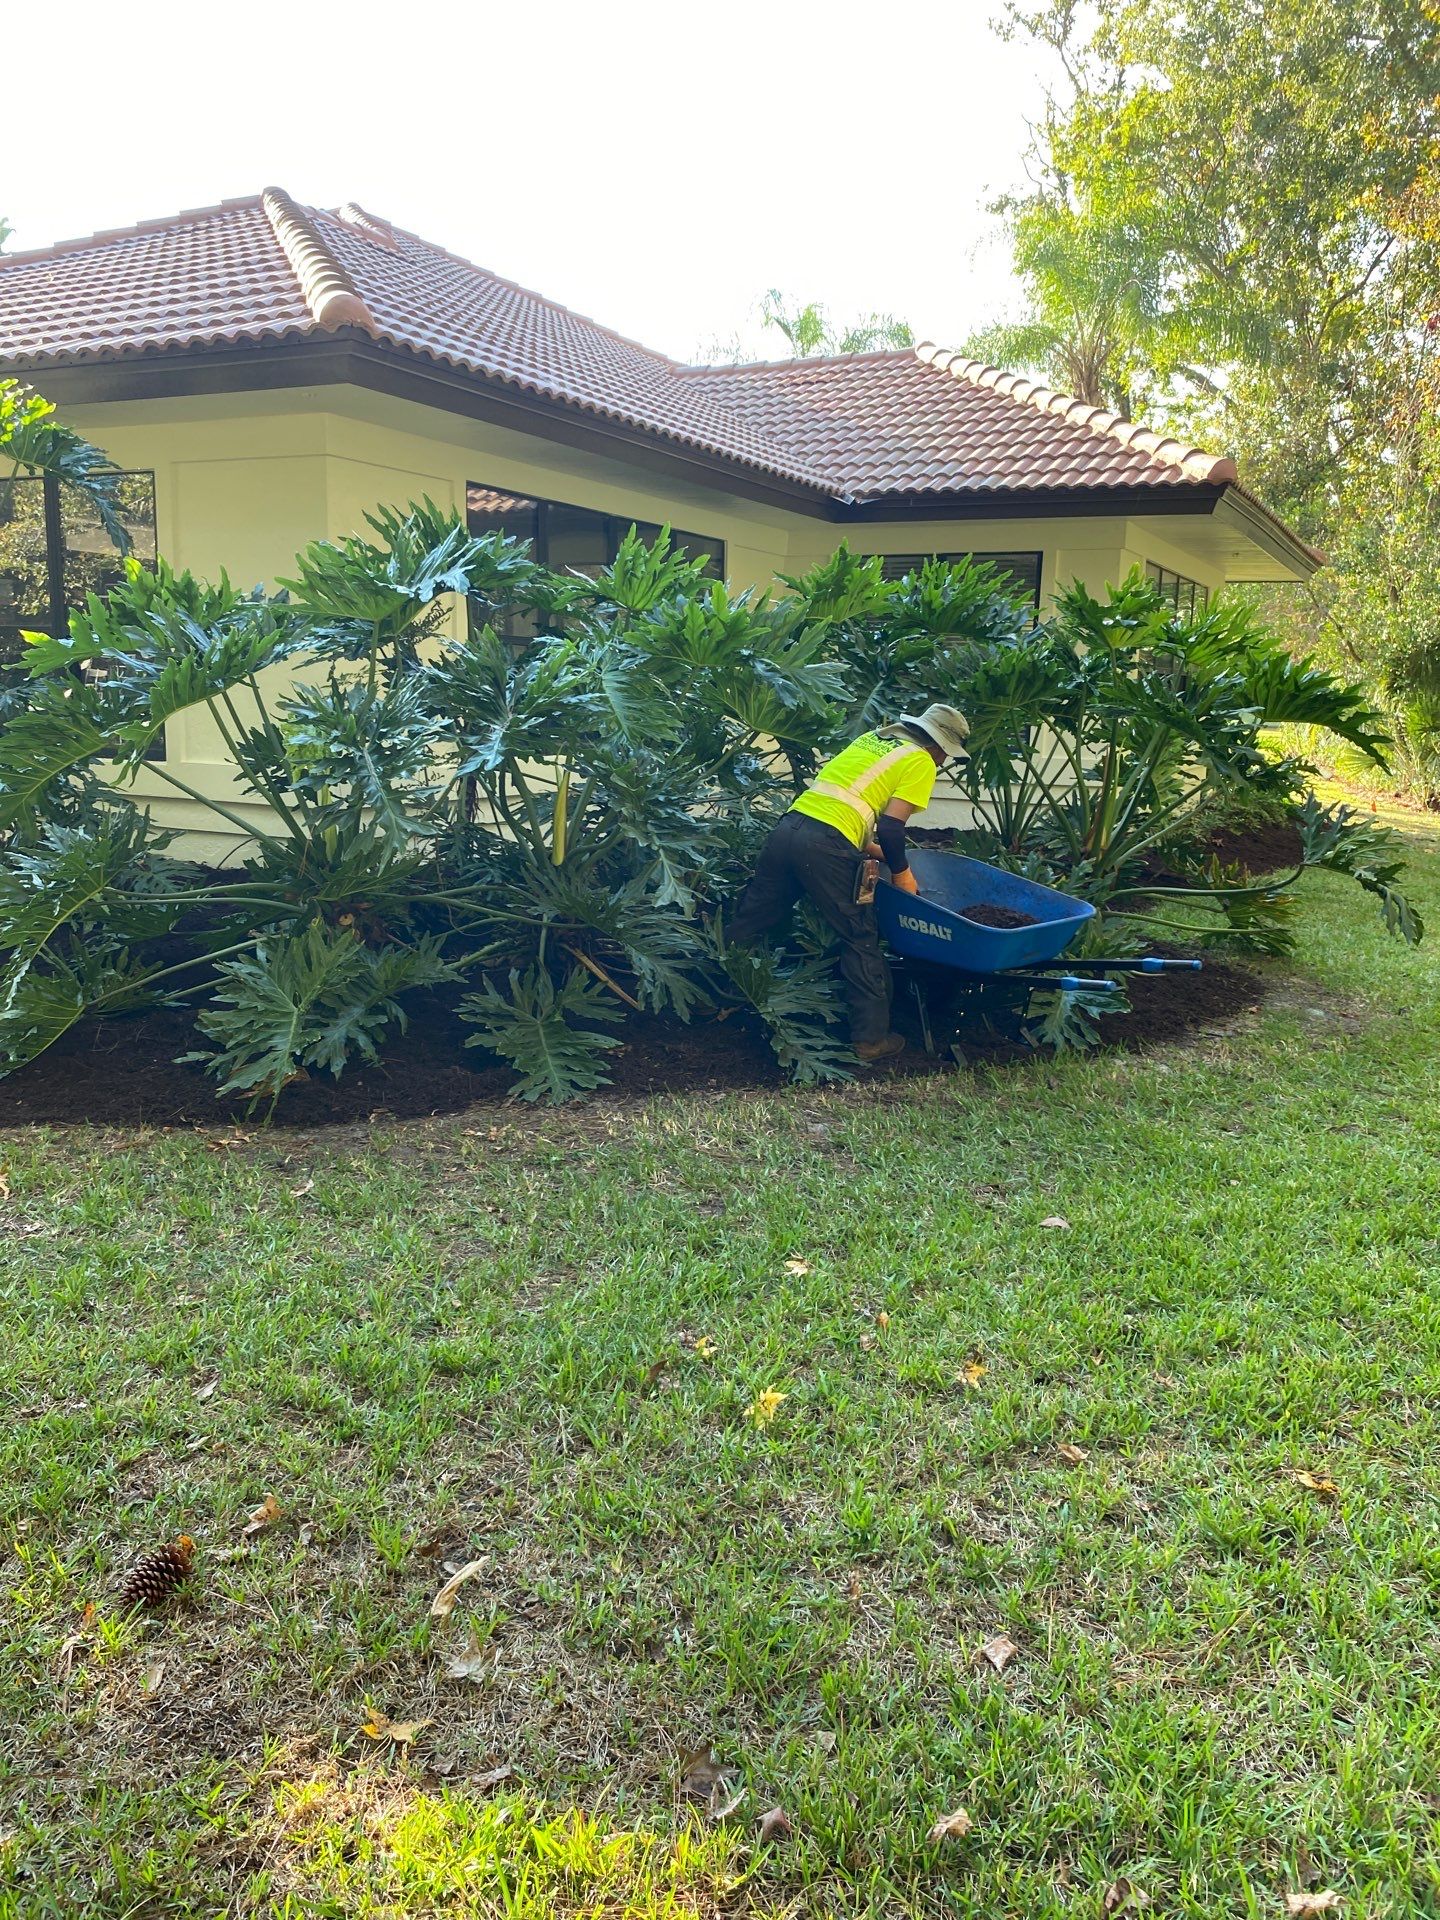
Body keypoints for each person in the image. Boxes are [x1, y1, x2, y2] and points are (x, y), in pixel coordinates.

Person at [727, 703, 970, 1061]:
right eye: (946, 754)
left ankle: (716, 1001)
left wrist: (885, 853)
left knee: (752, 919)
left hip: (789, 829)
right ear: (936, 744)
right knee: (859, 936)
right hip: (823, 844)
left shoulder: (875, 740)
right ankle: (871, 1040)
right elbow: (890, 826)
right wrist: (903, 875)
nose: (942, 762)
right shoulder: (919, 759)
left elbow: (842, 808)